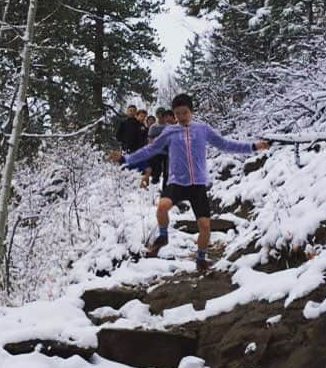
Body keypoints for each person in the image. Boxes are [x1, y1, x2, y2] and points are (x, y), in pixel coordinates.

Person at [111, 94, 270, 271]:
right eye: (178, 114)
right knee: (162, 206)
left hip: (197, 184)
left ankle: (201, 258)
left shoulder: (202, 129)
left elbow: (225, 144)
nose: (181, 117)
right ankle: (163, 236)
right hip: (177, 182)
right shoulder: (169, 132)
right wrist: (126, 158)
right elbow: (150, 149)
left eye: (185, 112)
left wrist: (253, 147)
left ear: (191, 112)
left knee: (205, 226)